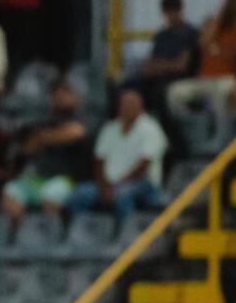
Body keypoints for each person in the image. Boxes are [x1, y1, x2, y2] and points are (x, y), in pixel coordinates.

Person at [166, 0, 236, 149]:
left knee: (223, 90)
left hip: (228, 78)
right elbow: (203, 44)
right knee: (174, 93)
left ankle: (221, 140)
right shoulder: (214, 24)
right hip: (203, 79)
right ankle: (194, 134)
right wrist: (220, 19)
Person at [66, 88, 167, 225]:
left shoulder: (151, 128)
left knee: (122, 196)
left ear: (140, 106)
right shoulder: (110, 128)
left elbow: (143, 165)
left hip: (142, 183)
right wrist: (104, 185)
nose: (127, 107)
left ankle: (126, 235)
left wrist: (117, 185)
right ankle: (81, 234)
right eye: (124, 104)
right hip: (109, 183)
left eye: (132, 104)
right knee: (80, 194)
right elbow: (99, 161)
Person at [1, 80, 91, 224]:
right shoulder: (46, 121)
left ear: (75, 97)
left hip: (66, 180)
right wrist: (40, 138)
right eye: (57, 96)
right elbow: (28, 148)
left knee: (51, 194)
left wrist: (43, 137)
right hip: (40, 178)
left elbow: (76, 132)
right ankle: (19, 235)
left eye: (65, 94)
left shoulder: (83, 118)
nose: (60, 99)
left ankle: (50, 233)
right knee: (12, 190)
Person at [136, 0, 199, 111]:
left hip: (179, 78)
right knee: (130, 86)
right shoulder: (161, 35)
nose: (171, 15)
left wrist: (161, 65)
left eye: (173, 11)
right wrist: (167, 64)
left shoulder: (190, 33)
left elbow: (181, 66)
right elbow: (149, 64)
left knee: (160, 91)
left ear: (180, 10)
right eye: (168, 12)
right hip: (157, 76)